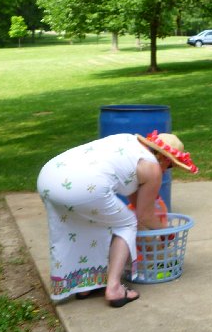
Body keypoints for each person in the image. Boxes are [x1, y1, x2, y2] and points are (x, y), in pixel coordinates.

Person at [37, 130, 198, 307]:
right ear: (165, 159)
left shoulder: (128, 142)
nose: (167, 171)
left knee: (87, 224)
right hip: (82, 185)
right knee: (127, 224)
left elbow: (138, 204)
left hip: (49, 178)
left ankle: (85, 284)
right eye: (171, 166)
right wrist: (166, 232)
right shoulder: (152, 167)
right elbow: (143, 216)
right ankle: (114, 289)